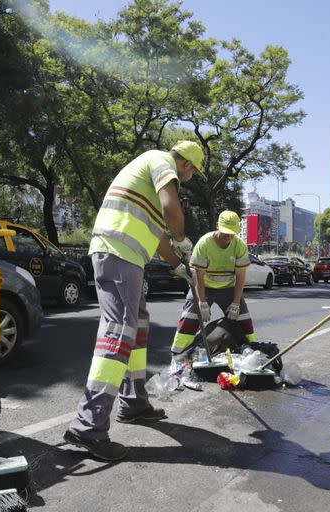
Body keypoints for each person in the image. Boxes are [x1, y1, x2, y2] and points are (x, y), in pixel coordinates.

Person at [64, 141, 203, 461]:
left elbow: (157, 237)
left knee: (137, 325)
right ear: (187, 165)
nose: (191, 176)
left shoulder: (148, 186)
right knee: (119, 330)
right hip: (118, 254)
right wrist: (182, 239)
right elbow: (172, 211)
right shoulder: (161, 163)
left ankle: (133, 402)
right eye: (193, 171)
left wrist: (179, 265)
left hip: (125, 257)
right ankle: (88, 424)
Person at [170, 210, 257, 356]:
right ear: (217, 226)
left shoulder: (239, 245)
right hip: (204, 286)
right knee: (190, 317)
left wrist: (236, 304)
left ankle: (253, 353)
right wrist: (202, 303)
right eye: (225, 232)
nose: (228, 237)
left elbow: (240, 277)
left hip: (229, 288)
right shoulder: (205, 243)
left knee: (243, 320)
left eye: (232, 233)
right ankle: (178, 355)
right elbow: (199, 277)